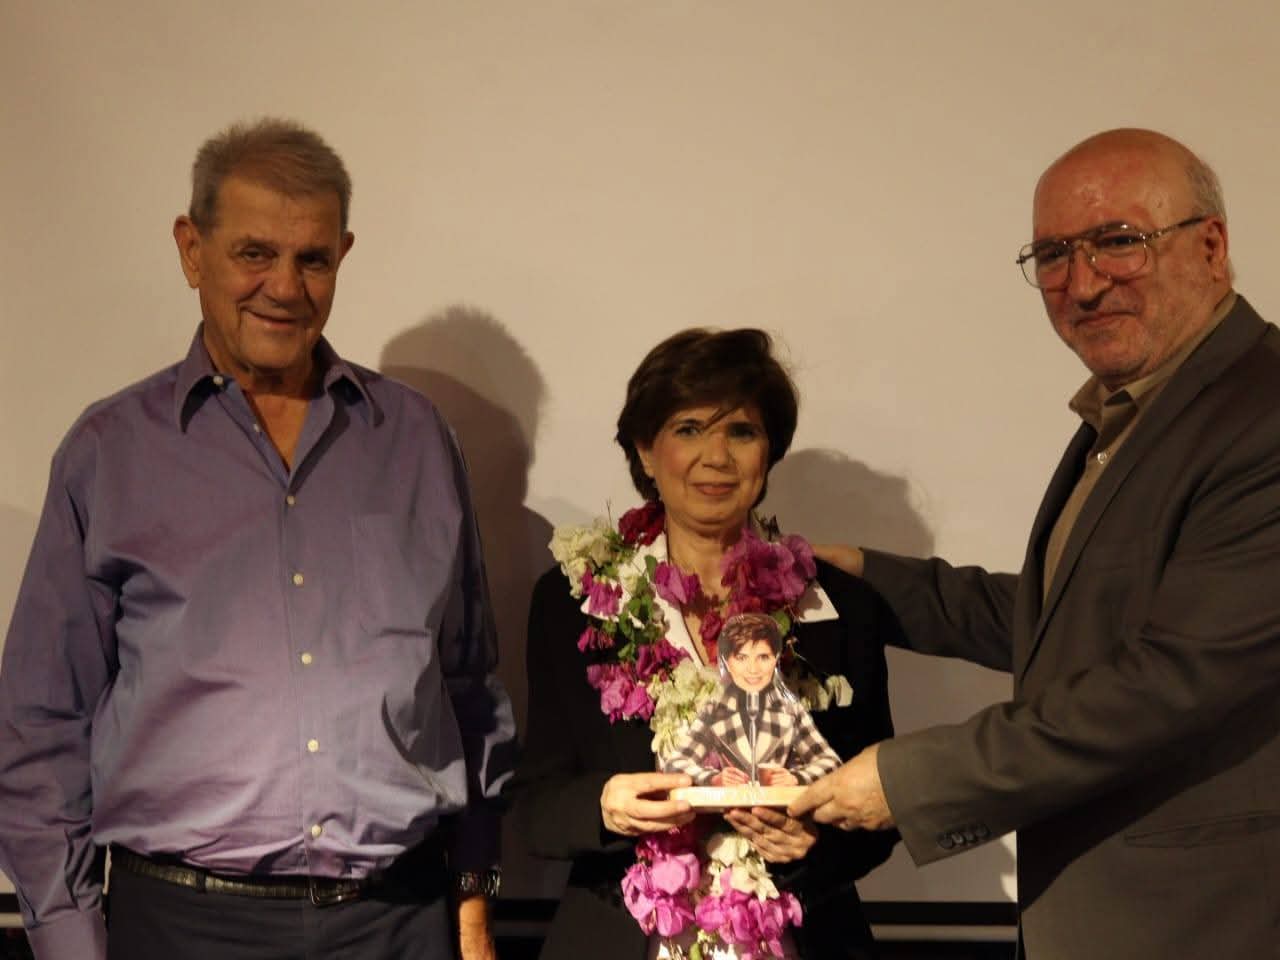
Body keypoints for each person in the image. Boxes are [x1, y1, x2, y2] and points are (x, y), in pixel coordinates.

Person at [0, 118, 515, 960]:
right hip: (183, 927)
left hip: (397, 921)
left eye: (312, 259)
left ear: (343, 256)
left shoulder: (417, 441)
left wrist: (473, 901)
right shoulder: (109, 453)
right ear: (191, 249)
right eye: (254, 254)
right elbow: (41, 722)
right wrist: (66, 938)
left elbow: (467, 689)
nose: (284, 286)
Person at [789, 129, 1280, 960]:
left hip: (1201, 924)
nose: (1082, 284)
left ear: (1211, 245)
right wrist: (867, 577)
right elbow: (1072, 618)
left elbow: (1168, 682)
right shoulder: (1137, 408)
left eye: (1118, 241)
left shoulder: (1261, 415)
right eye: (1053, 255)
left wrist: (910, 780)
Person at [510, 328, 900, 960]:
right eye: (689, 428)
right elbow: (533, 808)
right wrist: (605, 806)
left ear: (768, 453)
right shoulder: (572, 601)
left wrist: (813, 846)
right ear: (645, 449)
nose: (716, 456)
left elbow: (881, 807)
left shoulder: (835, 606)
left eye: (741, 432)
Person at [664, 612, 840, 788]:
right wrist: (713, 779)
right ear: (727, 662)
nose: (753, 669)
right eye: (741, 658)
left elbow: (831, 763)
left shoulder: (791, 710)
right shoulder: (715, 710)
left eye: (763, 657)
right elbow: (675, 764)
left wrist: (796, 778)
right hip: (730, 804)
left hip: (782, 804)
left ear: (775, 659)